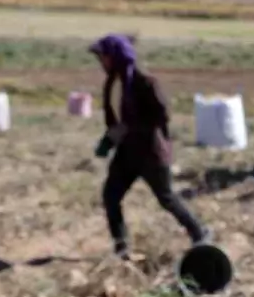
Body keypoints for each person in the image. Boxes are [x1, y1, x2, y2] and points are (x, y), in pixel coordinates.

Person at [89, 34, 208, 260]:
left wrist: (129, 128)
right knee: (111, 196)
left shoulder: (145, 82)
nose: (100, 62)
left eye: (102, 56)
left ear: (115, 57)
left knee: (166, 198)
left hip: (151, 152)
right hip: (126, 153)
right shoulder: (112, 83)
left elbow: (162, 115)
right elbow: (116, 120)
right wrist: (109, 139)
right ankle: (121, 247)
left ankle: (200, 233)